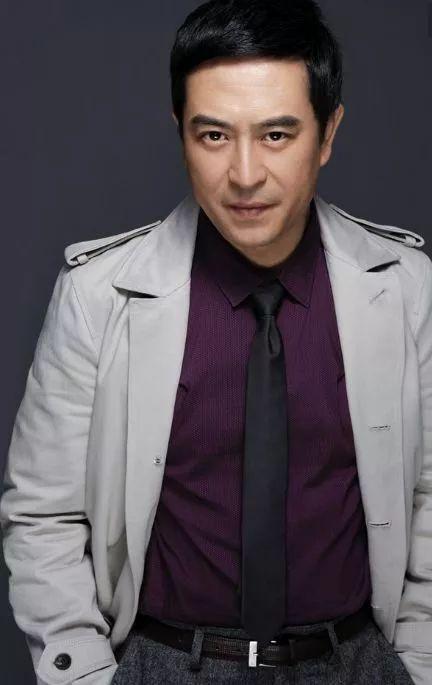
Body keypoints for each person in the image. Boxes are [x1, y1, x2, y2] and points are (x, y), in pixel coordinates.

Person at [1, 0, 430, 683]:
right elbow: (42, 513)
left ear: (327, 134)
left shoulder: (407, 286)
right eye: (213, 135)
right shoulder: (97, 294)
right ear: (181, 133)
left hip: (356, 661)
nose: (245, 173)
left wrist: (417, 663)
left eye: (277, 134)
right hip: (166, 661)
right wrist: (81, 674)